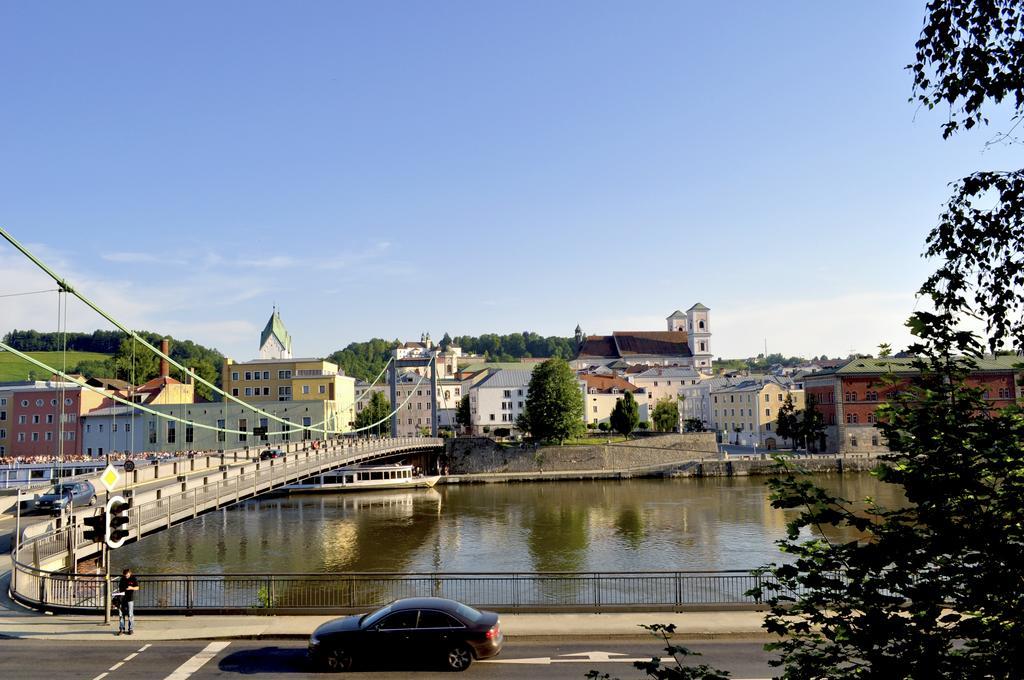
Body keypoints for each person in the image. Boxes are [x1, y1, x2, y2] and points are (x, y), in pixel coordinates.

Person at [116, 567, 139, 635]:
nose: (126, 576)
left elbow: (137, 587)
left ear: (130, 573)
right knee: (121, 615)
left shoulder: (133, 578)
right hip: (122, 599)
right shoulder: (122, 579)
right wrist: (120, 594)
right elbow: (120, 588)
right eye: (125, 575)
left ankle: (130, 629)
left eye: (127, 575)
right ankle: (121, 629)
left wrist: (131, 587)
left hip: (130, 599)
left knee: (130, 614)